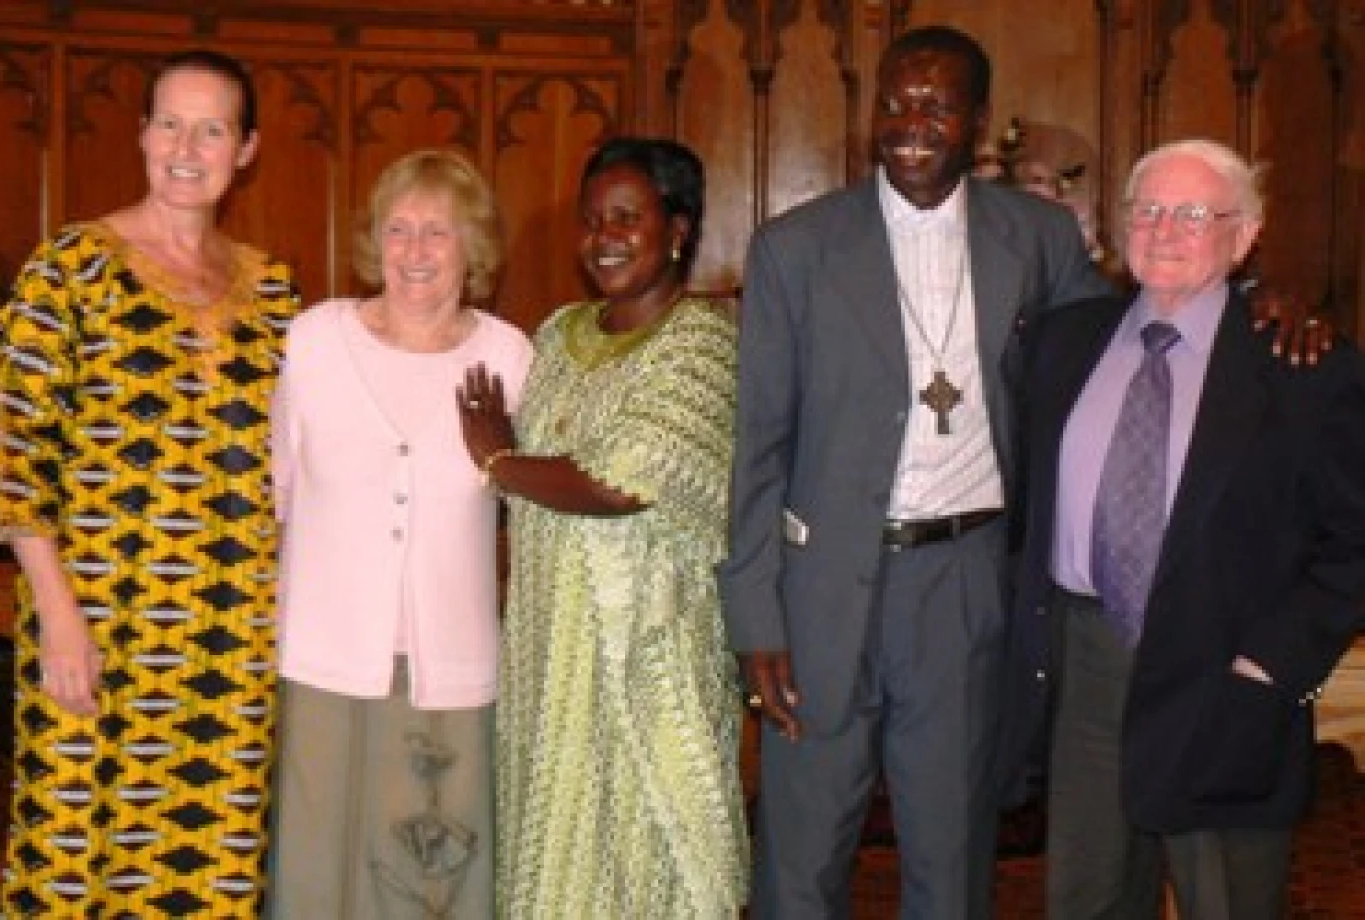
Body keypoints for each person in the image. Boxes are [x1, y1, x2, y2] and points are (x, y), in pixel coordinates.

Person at [718, 25, 1113, 918]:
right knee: (801, 852)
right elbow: (759, 449)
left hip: (962, 581)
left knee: (950, 850)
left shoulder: (1037, 236)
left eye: (935, 106)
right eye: (893, 103)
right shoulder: (796, 249)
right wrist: (756, 617)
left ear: (975, 124)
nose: (909, 123)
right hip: (821, 587)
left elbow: (1120, 343)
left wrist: (1250, 302)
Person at [0, 49, 300, 915]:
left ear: (248, 148)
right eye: (168, 122)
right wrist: (59, 620)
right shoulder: (70, 269)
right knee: (74, 855)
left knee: (211, 867)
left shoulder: (274, 292)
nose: (185, 146)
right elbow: (15, 456)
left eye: (212, 128)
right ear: (141, 133)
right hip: (98, 619)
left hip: (234, 635)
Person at [1001, 138, 1365, 920]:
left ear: (1244, 235)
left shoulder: (1301, 365)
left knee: (1224, 903)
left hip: (1223, 679)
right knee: (1087, 900)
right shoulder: (1060, 346)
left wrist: (1272, 664)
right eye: (1149, 210)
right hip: (1085, 669)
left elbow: (1354, 542)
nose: (1164, 230)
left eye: (1194, 214)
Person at [458, 136, 748, 918]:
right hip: (550, 659)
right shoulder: (556, 334)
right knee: (556, 859)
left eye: (627, 217)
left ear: (678, 229)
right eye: (591, 220)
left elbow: (619, 482)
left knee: (652, 860)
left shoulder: (706, 347)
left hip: (647, 660)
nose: (603, 238)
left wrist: (496, 458)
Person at [266, 147, 532, 918]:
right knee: (320, 865)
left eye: (438, 233)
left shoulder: (508, 357)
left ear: (472, 247)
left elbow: (533, 512)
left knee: (431, 877)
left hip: (449, 667)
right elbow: (277, 489)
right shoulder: (313, 342)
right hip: (324, 658)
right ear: (373, 240)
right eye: (398, 229)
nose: (415, 251)